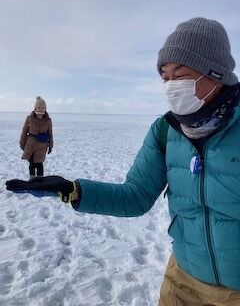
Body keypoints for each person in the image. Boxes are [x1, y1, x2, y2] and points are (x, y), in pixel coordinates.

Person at [6, 17, 240, 305]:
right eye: (164, 77)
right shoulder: (165, 131)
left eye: (179, 76)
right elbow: (134, 197)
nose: (169, 86)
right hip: (182, 283)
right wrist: (73, 190)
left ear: (214, 74)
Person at [19, 96, 53, 179]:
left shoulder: (48, 120)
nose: (40, 115)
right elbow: (24, 131)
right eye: (38, 113)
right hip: (30, 145)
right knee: (31, 164)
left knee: (39, 164)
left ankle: (40, 181)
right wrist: (22, 143)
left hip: (42, 146)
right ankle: (32, 180)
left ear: (45, 110)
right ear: (35, 109)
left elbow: (50, 134)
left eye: (42, 113)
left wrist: (50, 146)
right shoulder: (29, 118)